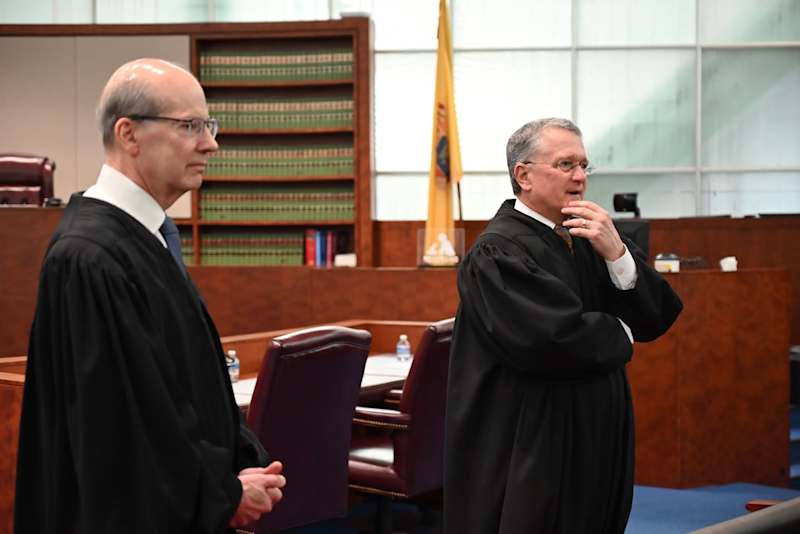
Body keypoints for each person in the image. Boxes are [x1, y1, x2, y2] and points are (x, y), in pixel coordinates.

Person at [15, 58, 286, 533]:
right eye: (190, 126)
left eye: (209, 124)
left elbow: (179, 385)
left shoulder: (147, 238)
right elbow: (124, 429)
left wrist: (240, 465)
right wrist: (222, 495)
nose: (211, 143)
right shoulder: (90, 258)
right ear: (129, 134)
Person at [443, 118, 683, 533]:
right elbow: (550, 339)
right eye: (566, 164)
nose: (579, 177)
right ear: (524, 175)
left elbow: (655, 317)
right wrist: (619, 332)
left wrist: (617, 253)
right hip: (532, 438)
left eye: (584, 166)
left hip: (594, 430)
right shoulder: (497, 251)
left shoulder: (591, 238)